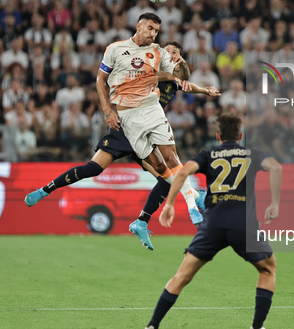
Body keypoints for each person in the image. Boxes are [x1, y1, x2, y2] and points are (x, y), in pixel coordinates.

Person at [24, 40, 220, 240]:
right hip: (125, 127)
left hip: (146, 131)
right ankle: (45, 190)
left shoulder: (173, 78)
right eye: (167, 50)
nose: (169, 53)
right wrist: (175, 73)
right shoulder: (146, 65)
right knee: (93, 168)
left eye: (174, 52)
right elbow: (157, 75)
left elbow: (186, 80)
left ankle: (142, 222)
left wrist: (204, 90)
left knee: (165, 179)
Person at [140, 114, 282, 329]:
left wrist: (169, 204)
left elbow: (183, 172)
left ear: (218, 136)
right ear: (240, 136)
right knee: (268, 268)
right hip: (243, 226)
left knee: (182, 275)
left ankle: (151, 327)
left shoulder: (208, 154)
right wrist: (274, 204)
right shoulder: (251, 154)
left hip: (213, 225)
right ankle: (257, 328)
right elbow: (276, 168)